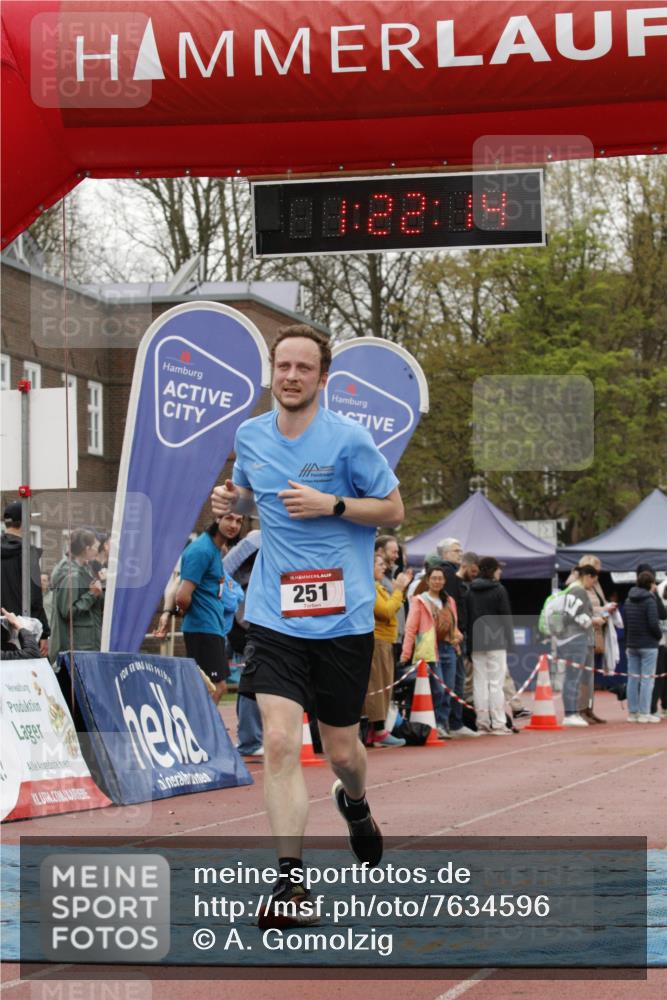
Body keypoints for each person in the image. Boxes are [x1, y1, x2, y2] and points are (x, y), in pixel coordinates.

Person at [211, 323, 403, 928]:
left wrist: (333, 505)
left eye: (303, 368)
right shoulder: (250, 435)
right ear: (272, 372)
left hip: (343, 619)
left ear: (323, 378)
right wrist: (232, 504)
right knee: (278, 742)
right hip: (275, 616)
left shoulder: (349, 439)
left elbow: (394, 509)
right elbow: (256, 497)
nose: (291, 376)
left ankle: (356, 804)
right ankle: (291, 883)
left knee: (343, 752)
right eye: (283, 366)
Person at [165, 520, 242, 704]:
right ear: (218, 518)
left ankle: (195, 720)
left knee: (204, 687)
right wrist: (178, 611)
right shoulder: (202, 550)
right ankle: (198, 722)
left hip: (212, 627)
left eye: (239, 521)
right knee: (215, 688)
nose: (234, 525)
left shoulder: (214, 550)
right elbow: (182, 595)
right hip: (203, 628)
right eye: (229, 518)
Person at [400, 565, 462, 739]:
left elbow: (454, 625)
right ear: (427, 581)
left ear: (444, 581)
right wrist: (406, 654)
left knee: (449, 688)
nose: (437, 581)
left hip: (449, 648)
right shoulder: (419, 601)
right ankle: (432, 723)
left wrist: (457, 636)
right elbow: (410, 628)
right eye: (434, 578)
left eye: (440, 578)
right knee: (437, 690)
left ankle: (442, 723)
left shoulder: (449, 601)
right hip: (430, 650)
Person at [363, 553, 411, 748]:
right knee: (377, 686)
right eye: (379, 564)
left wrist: (400, 591)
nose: (384, 568)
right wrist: (398, 590)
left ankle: (375, 730)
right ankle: (378, 730)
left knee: (384, 686)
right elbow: (386, 611)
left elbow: (393, 607)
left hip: (385, 641)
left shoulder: (379, 587)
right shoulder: (370, 587)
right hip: (377, 641)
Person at [553, 564, 606, 727]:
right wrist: (595, 620)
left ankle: (573, 712)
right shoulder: (579, 591)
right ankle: (571, 713)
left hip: (571, 638)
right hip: (576, 639)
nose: (593, 585)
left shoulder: (572, 589)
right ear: (588, 576)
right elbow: (577, 617)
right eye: (594, 581)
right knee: (573, 677)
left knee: (574, 677)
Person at [468, 557, 515, 735]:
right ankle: (499, 723)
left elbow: (467, 616)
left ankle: (482, 722)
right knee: (496, 683)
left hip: (476, 641)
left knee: (479, 684)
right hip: (496, 641)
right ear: (492, 570)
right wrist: (510, 641)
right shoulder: (499, 589)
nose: (500, 571)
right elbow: (505, 617)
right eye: (498, 569)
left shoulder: (470, 590)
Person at [1, 501, 50, 655]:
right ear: (25, 522)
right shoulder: (28, 553)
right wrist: (44, 632)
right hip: (21, 629)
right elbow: (35, 597)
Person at [49, 528, 104, 660]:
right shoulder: (71, 574)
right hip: (78, 647)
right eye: (96, 547)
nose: (97, 551)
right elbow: (68, 611)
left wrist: (101, 584)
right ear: (87, 549)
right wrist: (92, 594)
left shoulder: (84, 569)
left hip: (84, 644)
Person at [624, 570, 663, 724]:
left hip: (632, 644)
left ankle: (632, 712)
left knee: (632, 679)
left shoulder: (628, 600)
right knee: (647, 680)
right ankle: (644, 713)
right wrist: (659, 636)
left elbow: (626, 623)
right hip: (648, 645)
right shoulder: (650, 600)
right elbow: (653, 623)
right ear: (650, 584)